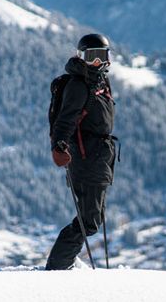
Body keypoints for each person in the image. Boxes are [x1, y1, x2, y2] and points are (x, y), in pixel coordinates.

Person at [45, 33, 117, 270]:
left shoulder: (100, 81)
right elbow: (64, 121)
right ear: (81, 56)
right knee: (89, 221)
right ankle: (58, 266)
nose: (97, 62)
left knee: (94, 218)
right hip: (86, 157)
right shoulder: (78, 85)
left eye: (102, 56)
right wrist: (59, 145)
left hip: (100, 155)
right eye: (91, 56)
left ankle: (61, 264)